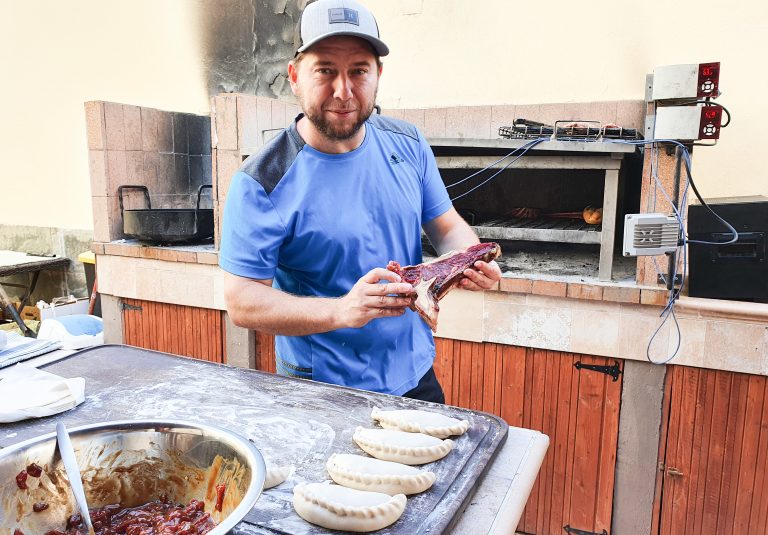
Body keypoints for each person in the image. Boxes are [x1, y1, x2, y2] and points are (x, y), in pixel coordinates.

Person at [219, 0, 501, 403]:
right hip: (322, 387)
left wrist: (464, 261)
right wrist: (340, 311)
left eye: (358, 71)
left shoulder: (409, 145)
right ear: (295, 76)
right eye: (326, 71)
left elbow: (448, 227)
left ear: (378, 75)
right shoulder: (262, 181)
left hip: (414, 373)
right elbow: (243, 301)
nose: (343, 91)